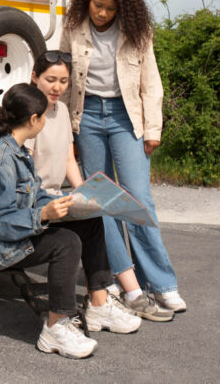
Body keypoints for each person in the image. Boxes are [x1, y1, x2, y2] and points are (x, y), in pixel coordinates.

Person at [0, 83, 139, 359]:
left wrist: (69, 203)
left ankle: (99, 304)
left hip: (5, 233)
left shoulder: (17, 151)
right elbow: (4, 224)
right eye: (43, 116)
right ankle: (55, 326)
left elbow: (32, 196)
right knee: (65, 243)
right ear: (33, 120)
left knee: (89, 221)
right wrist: (43, 214)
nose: (45, 121)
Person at [59, 0, 187, 313]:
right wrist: (66, 131)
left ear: (122, 9)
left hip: (124, 117)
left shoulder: (137, 33)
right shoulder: (72, 27)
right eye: (97, 6)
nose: (101, 13)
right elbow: (64, 80)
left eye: (110, 9)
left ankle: (161, 283)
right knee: (101, 201)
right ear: (87, 0)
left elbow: (152, 83)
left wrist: (152, 130)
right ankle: (119, 280)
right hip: (86, 118)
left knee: (138, 200)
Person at [28, 50, 174, 323]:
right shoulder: (30, 114)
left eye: (63, 81)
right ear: (34, 77)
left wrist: (85, 189)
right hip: (37, 199)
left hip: (55, 193)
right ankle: (130, 295)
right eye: (50, 80)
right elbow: (22, 167)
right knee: (96, 218)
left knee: (100, 208)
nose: (57, 87)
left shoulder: (61, 111)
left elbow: (69, 157)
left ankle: (107, 300)